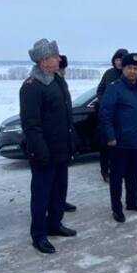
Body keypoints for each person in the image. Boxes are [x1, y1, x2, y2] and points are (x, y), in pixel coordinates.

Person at [19, 39, 79, 254]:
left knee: (59, 191)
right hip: (44, 152)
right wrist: (40, 151)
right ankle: (39, 235)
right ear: (44, 61)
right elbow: (31, 124)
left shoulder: (57, 80)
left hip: (61, 148)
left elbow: (65, 114)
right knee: (42, 194)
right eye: (55, 56)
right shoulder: (31, 87)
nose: (59, 58)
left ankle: (55, 223)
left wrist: (72, 140)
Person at [99, 52, 137, 222]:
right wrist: (110, 137)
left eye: (136, 69)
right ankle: (117, 208)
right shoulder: (114, 88)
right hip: (119, 142)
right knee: (116, 178)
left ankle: (132, 202)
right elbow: (105, 114)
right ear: (123, 69)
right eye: (129, 68)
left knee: (134, 175)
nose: (132, 71)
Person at [96, 48, 130, 183]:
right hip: (108, 116)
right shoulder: (109, 74)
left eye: (122, 59)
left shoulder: (130, 74)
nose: (119, 62)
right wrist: (104, 100)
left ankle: (119, 170)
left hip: (123, 118)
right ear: (114, 60)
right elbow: (100, 90)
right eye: (117, 59)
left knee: (120, 147)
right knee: (105, 146)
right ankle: (105, 171)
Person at [58, 55, 78, 213]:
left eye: (63, 69)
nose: (63, 72)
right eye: (61, 68)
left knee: (62, 176)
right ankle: (55, 203)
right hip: (54, 138)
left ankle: (60, 201)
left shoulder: (61, 82)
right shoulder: (46, 84)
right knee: (52, 178)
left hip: (64, 137)